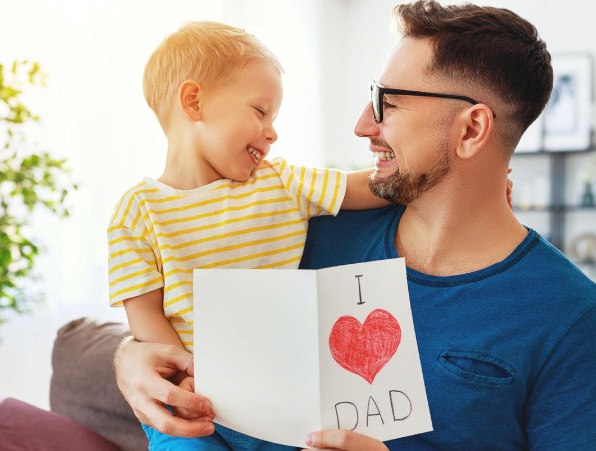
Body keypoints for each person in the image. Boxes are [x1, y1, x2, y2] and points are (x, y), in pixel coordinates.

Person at [114, 2, 596, 450]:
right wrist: (132, 359)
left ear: (472, 130)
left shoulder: (570, 320)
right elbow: (184, 304)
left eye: (385, 103)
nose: (361, 126)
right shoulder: (306, 236)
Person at [107, 21, 388, 450]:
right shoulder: (137, 211)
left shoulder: (280, 181)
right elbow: (145, 316)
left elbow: (362, 187)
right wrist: (188, 379)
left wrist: (447, 179)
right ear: (194, 101)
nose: (273, 131)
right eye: (260, 111)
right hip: (192, 405)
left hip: (280, 399)